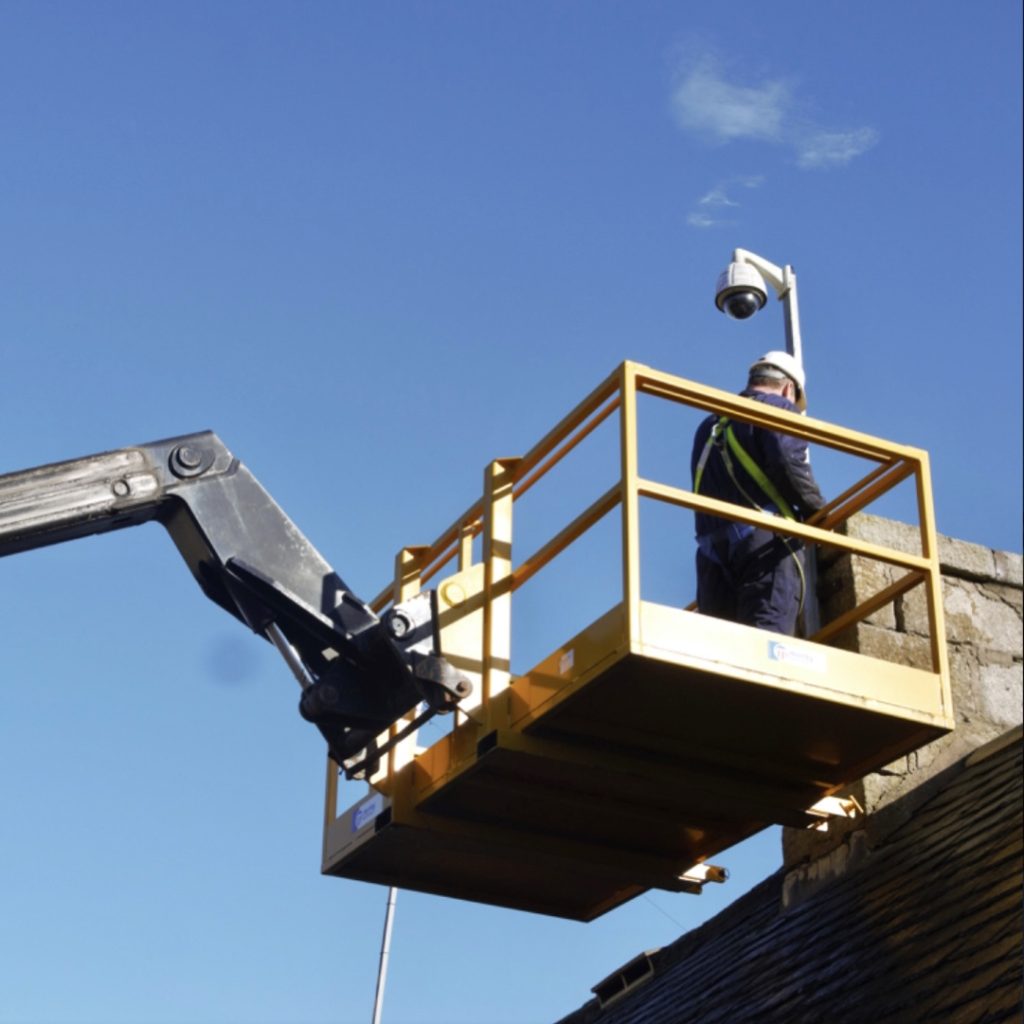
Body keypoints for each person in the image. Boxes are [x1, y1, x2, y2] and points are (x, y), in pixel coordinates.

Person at [691, 351, 825, 635]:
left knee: (721, 659)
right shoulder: (778, 407)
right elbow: (787, 463)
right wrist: (819, 513)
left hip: (712, 557)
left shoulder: (709, 424)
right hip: (763, 548)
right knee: (767, 647)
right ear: (789, 388)